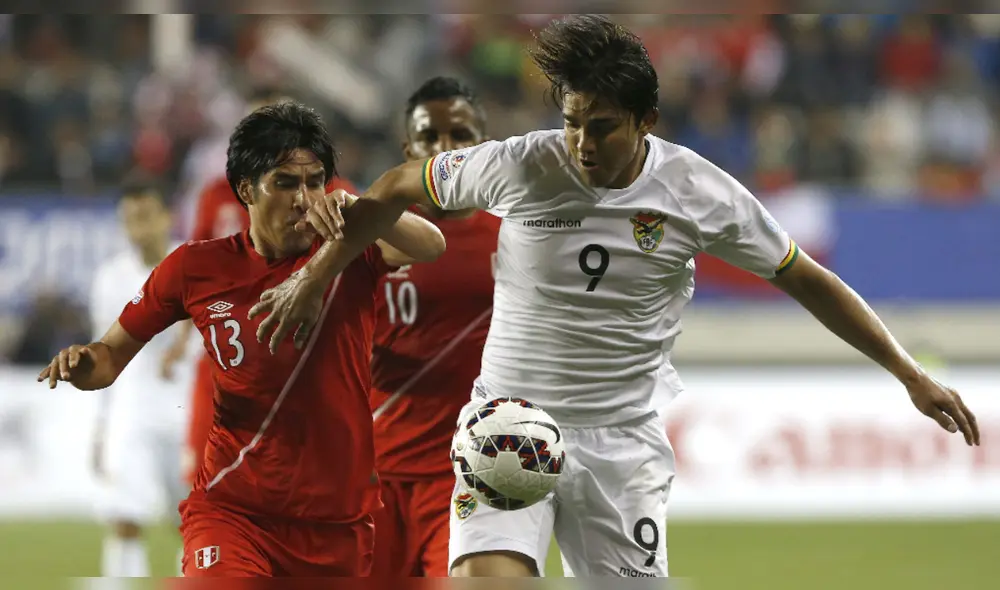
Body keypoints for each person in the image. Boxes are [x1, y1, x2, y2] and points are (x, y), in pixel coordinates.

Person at [248, 15, 980, 578]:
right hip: (513, 418)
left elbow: (806, 279)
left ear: (645, 123)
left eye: (600, 127)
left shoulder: (699, 192)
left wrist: (908, 373)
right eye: (571, 122)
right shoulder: (519, 165)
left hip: (621, 443)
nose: (581, 144)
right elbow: (396, 188)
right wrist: (316, 276)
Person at [38, 101, 446, 577]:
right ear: (246, 190)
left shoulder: (348, 249)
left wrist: (359, 208)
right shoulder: (194, 268)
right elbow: (107, 359)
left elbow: (430, 244)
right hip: (234, 512)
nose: (304, 198)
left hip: (338, 522)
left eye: (316, 182)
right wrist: (81, 364)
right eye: (286, 183)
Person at [160, 88, 360, 487]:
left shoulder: (331, 190)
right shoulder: (216, 194)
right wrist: (182, 337)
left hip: (304, 354)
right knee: (204, 474)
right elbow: (197, 266)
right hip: (229, 350)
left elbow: (366, 257)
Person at [370, 76, 499, 577]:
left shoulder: (518, 241)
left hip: (470, 477)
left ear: (484, 146)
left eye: (460, 136)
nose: (445, 151)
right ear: (409, 149)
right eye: (429, 138)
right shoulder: (368, 236)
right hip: (370, 475)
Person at [89, 178, 195, 577]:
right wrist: (101, 427)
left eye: (146, 216)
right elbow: (105, 357)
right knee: (123, 515)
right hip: (131, 409)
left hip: (187, 407)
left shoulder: (194, 264)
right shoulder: (110, 278)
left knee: (192, 520)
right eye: (130, 219)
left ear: (167, 216)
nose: (139, 227)